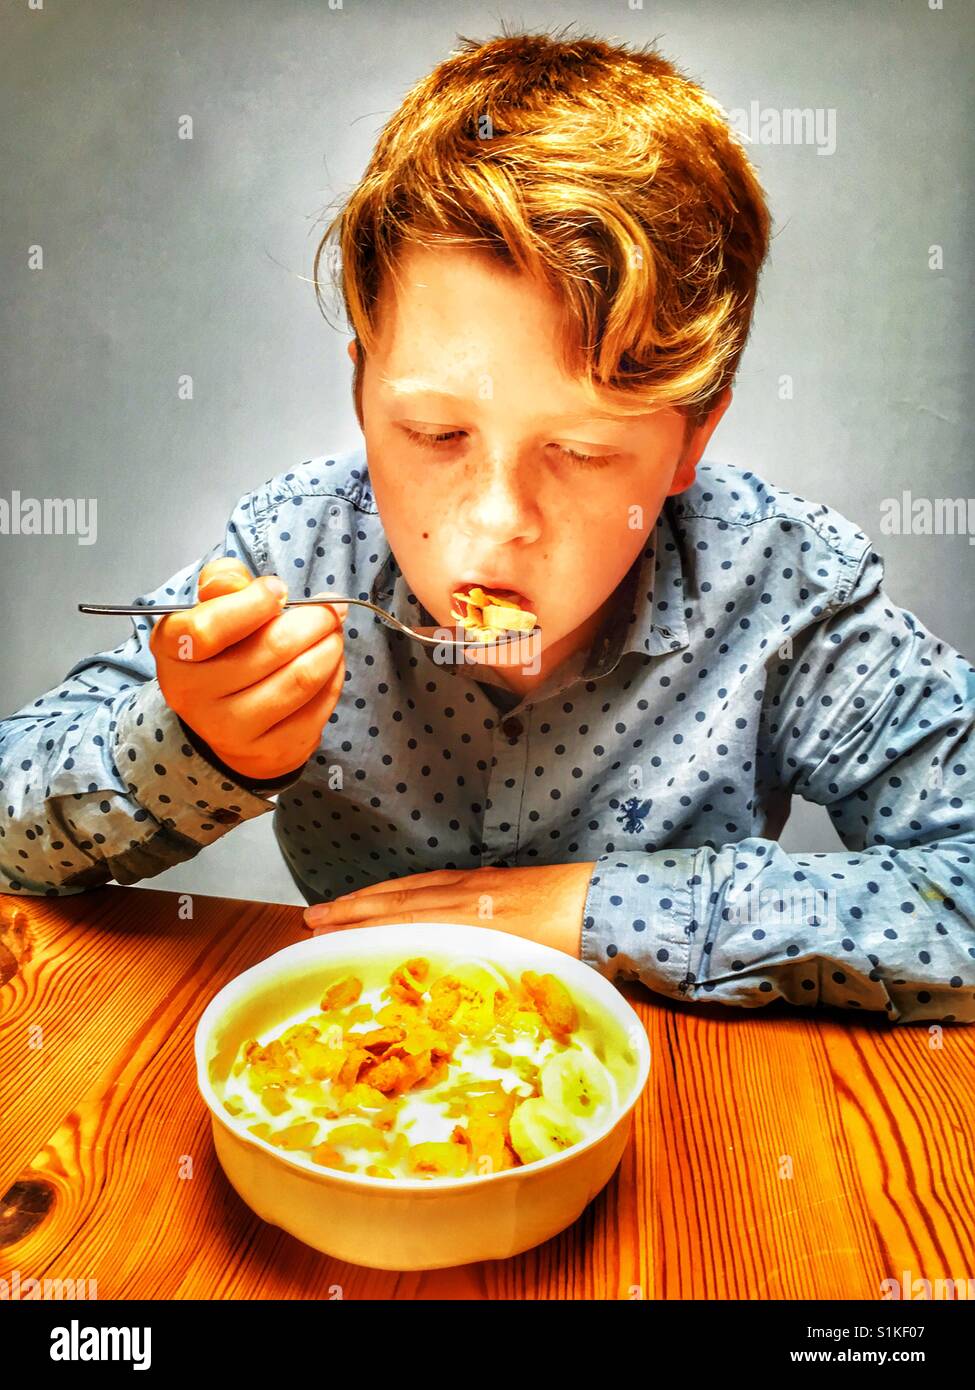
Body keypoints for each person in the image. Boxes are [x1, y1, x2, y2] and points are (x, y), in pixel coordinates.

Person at [1, 32, 972, 1025]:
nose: (497, 523)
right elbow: (9, 816)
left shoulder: (786, 586)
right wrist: (195, 741)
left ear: (692, 441)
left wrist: (590, 909)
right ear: (360, 389)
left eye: (584, 453)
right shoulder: (297, 555)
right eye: (435, 432)